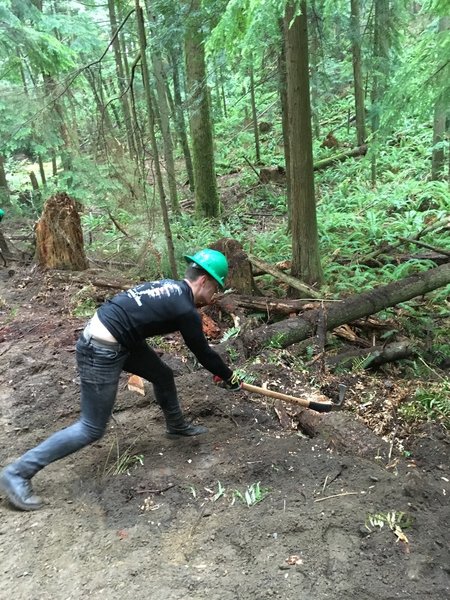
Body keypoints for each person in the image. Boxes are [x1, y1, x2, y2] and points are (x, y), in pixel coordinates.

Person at [0, 248, 241, 511]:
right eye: (215, 288)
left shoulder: (170, 287)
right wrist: (229, 377)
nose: (213, 296)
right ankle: (17, 473)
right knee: (91, 427)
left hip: (118, 336)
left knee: (162, 374)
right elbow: (203, 352)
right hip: (101, 348)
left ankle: (177, 425)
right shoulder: (185, 309)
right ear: (204, 281)